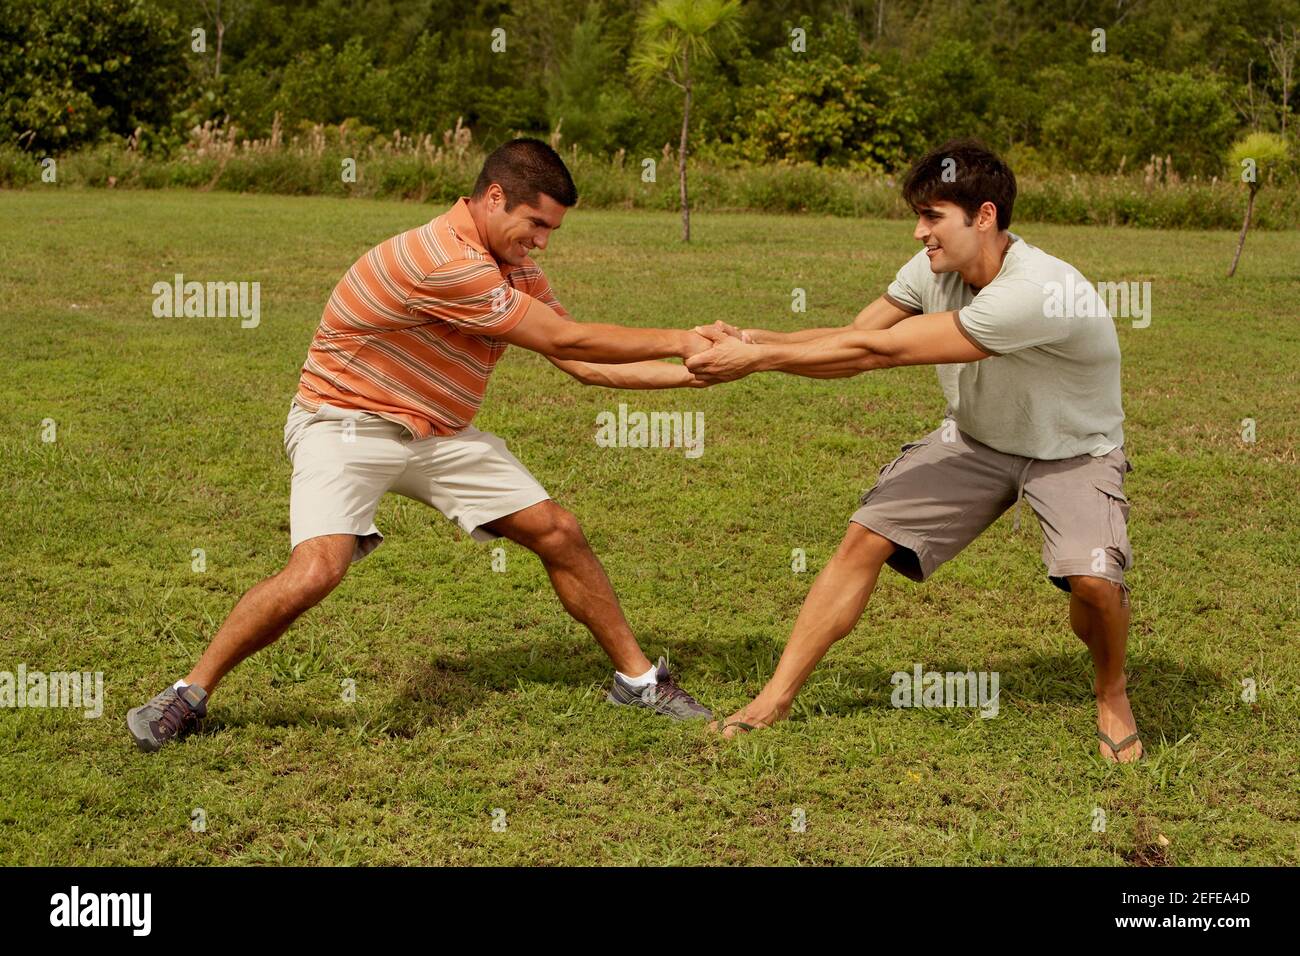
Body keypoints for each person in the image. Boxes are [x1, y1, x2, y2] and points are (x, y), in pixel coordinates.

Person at [128, 138, 714, 752]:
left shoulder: (514, 267)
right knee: (316, 571)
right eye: (536, 223)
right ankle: (187, 695)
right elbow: (570, 339)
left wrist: (701, 370)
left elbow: (582, 363)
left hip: (436, 430)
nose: (543, 241)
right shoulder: (440, 260)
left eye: (551, 229)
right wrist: (683, 338)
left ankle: (639, 681)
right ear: (493, 197)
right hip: (345, 424)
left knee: (558, 530)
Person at [687, 139, 1141, 762]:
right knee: (863, 538)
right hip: (976, 439)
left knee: (1092, 584)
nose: (919, 230)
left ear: (983, 216)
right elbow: (856, 338)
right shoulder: (931, 268)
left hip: (1072, 451)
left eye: (932, 217)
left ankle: (1111, 690)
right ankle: (774, 697)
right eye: (919, 215)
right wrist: (754, 337)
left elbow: (884, 353)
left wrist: (757, 359)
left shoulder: (1033, 290)